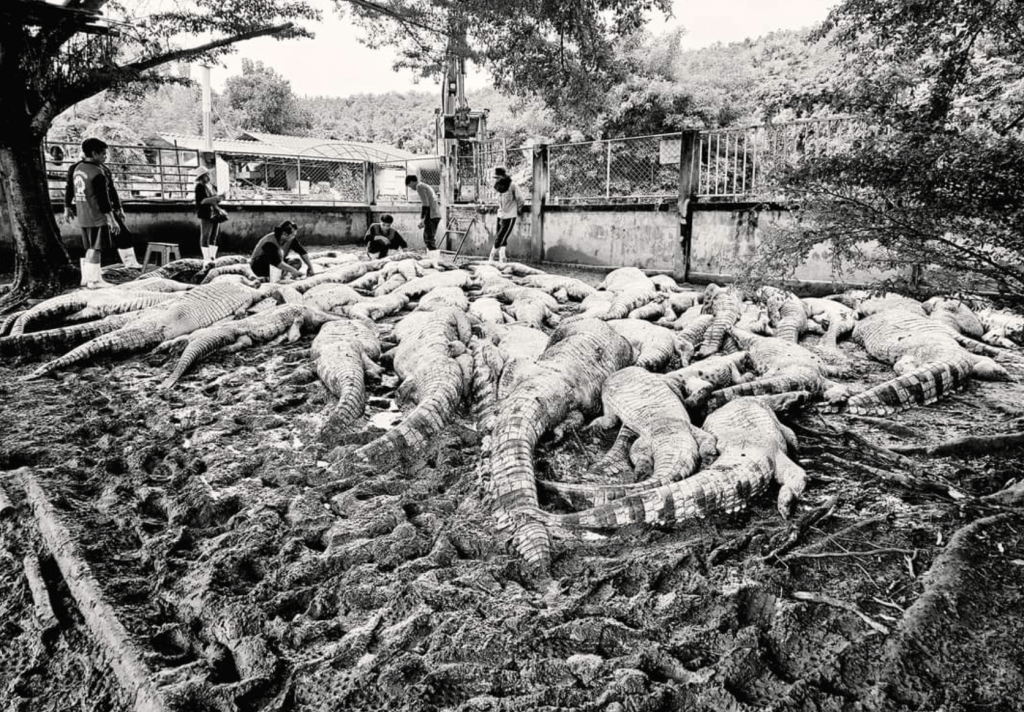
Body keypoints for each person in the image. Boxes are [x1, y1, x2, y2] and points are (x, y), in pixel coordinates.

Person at [62, 137, 127, 288]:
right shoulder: (97, 172)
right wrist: (111, 219)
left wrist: (66, 207)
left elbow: (69, 189)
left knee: (91, 248)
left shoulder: (78, 169)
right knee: (97, 249)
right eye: (103, 153)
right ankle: (95, 281)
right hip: (97, 217)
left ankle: (88, 278)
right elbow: (103, 200)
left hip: (84, 215)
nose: (105, 157)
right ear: (94, 153)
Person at [249, 220, 317, 282]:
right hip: (259, 266)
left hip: (278, 263)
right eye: (292, 235)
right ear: (284, 234)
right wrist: (293, 270)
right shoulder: (270, 242)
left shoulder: (290, 240)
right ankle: (269, 277)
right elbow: (276, 262)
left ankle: (282, 274)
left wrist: (310, 267)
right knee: (276, 261)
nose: (293, 237)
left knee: (296, 262)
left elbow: (302, 252)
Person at [490, 167, 525, 263]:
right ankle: (502, 258)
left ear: (503, 176)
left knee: (500, 237)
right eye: (495, 178)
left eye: (498, 177)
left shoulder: (513, 185)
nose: (496, 179)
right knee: (501, 237)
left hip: (510, 215)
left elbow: (521, 199)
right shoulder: (497, 186)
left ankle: (491, 258)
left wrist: (518, 209)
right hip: (500, 214)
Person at [194, 165, 227, 267]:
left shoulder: (213, 186)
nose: (209, 176)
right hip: (206, 213)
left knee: (213, 237)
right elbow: (202, 201)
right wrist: (217, 197)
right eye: (206, 174)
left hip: (214, 212)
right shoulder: (200, 187)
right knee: (205, 237)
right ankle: (206, 258)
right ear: (202, 176)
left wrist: (221, 198)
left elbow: (215, 200)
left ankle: (212, 257)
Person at [404, 175, 441, 257]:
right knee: (428, 237)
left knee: (428, 239)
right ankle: (431, 257)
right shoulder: (425, 185)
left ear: (411, 182)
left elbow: (425, 205)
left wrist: (422, 219)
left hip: (432, 215)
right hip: (435, 214)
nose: (411, 188)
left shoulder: (419, 186)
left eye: (409, 186)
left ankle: (435, 259)